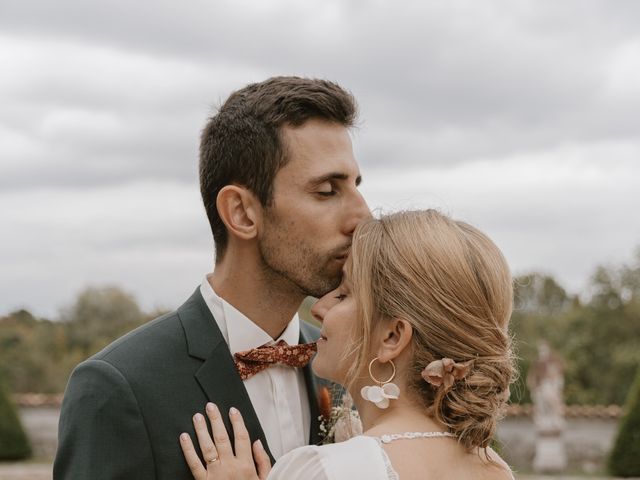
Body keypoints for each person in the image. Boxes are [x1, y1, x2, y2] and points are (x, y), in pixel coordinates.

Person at [53, 76, 370, 479]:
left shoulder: (348, 366)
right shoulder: (120, 387)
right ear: (240, 212)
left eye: (356, 186)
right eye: (327, 190)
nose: (363, 217)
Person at [181, 210, 516, 479]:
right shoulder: (495, 469)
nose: (319, 308)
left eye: (343, 293)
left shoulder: (325, 470)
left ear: (392, 337)